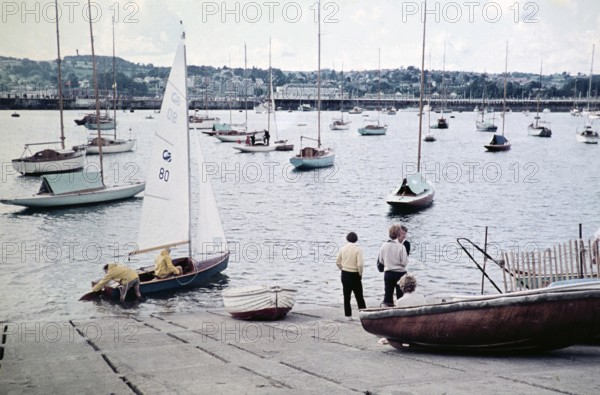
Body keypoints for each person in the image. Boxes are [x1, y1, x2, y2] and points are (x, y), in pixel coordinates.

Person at [335, 231, 366, 320]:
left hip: (345, 273)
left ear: (347, 238)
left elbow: (337, 261)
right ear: (356, 239)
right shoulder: (357, 249)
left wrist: (342, 268)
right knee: (359, 296)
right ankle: (363, 314)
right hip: (354, 274)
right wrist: (360, 273)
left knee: (346, 295)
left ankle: (348, 315)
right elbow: (360, 264)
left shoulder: (343, 248)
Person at [378, 224, 408, 307]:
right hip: (400, 274)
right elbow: (404, 262)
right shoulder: (401, 247)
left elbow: (381, 261)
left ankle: (387, 312)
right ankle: (400, 311)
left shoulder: (384, 245)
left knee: (388, 295)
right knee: (401, 296)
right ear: (398, 233)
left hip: (388, 272)